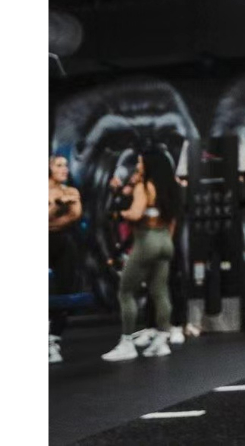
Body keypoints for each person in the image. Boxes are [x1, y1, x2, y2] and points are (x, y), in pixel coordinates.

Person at [102, 150, 183, 362]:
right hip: (165, 241)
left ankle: (127, 343)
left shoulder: (143, 186)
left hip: (147, 240)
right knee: (160, 291)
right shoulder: (170, 188)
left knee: (125, 291)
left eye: (140, 163)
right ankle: (161, 342)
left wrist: (119, 214)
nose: (138, 167)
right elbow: (172, 221)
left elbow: (136, 213)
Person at [49, 155, 82, 363]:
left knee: (65, 289)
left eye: (66, 165)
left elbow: (74, 216)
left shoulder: (72, 191)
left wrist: (55, 213)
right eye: (59, 165)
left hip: (63, 242)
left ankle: (53, 339)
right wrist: (58, 206)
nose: (64, 169)